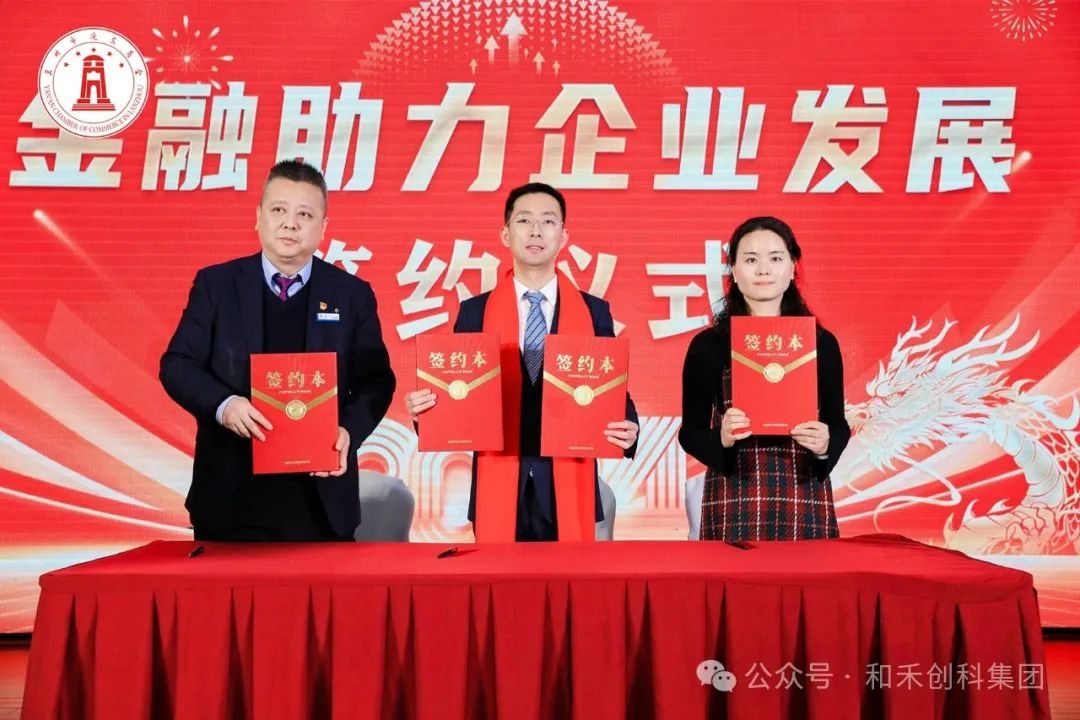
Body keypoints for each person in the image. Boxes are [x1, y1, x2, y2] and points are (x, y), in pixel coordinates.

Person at [160, 160, 396, 541]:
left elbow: (376, 381)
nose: (290, 224)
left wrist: (348, 432)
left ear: (323, 227)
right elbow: (177, 365)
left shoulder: (351, 294)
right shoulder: (216, 285)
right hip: (230, 498)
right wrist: (224, 405)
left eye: (305, 214)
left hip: (321, 504)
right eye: (279, 210)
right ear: (258, 217)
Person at [404, 182, 639, 541]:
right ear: (505, 234)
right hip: (498, 478)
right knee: (496, 578)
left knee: (571, 579)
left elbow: (609, 386)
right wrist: (428, 413)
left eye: (548, 221)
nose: (536, 231)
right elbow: (458, 393)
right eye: (524, 220)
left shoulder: (593, 312)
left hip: (567, 478)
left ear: (563, 236)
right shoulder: (475, 312)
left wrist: (629, 425)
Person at [678, 216, 849, 541]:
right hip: (734, 495)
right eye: (751, 260)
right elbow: (690, 432)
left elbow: (838, 424)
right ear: (734, 270)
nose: (763, 270)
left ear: (793, 267)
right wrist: (721, 438)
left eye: (775, 258)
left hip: (803, 494)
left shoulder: (820, 343)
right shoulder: (709, 345)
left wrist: (825, 445)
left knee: (809, 576)